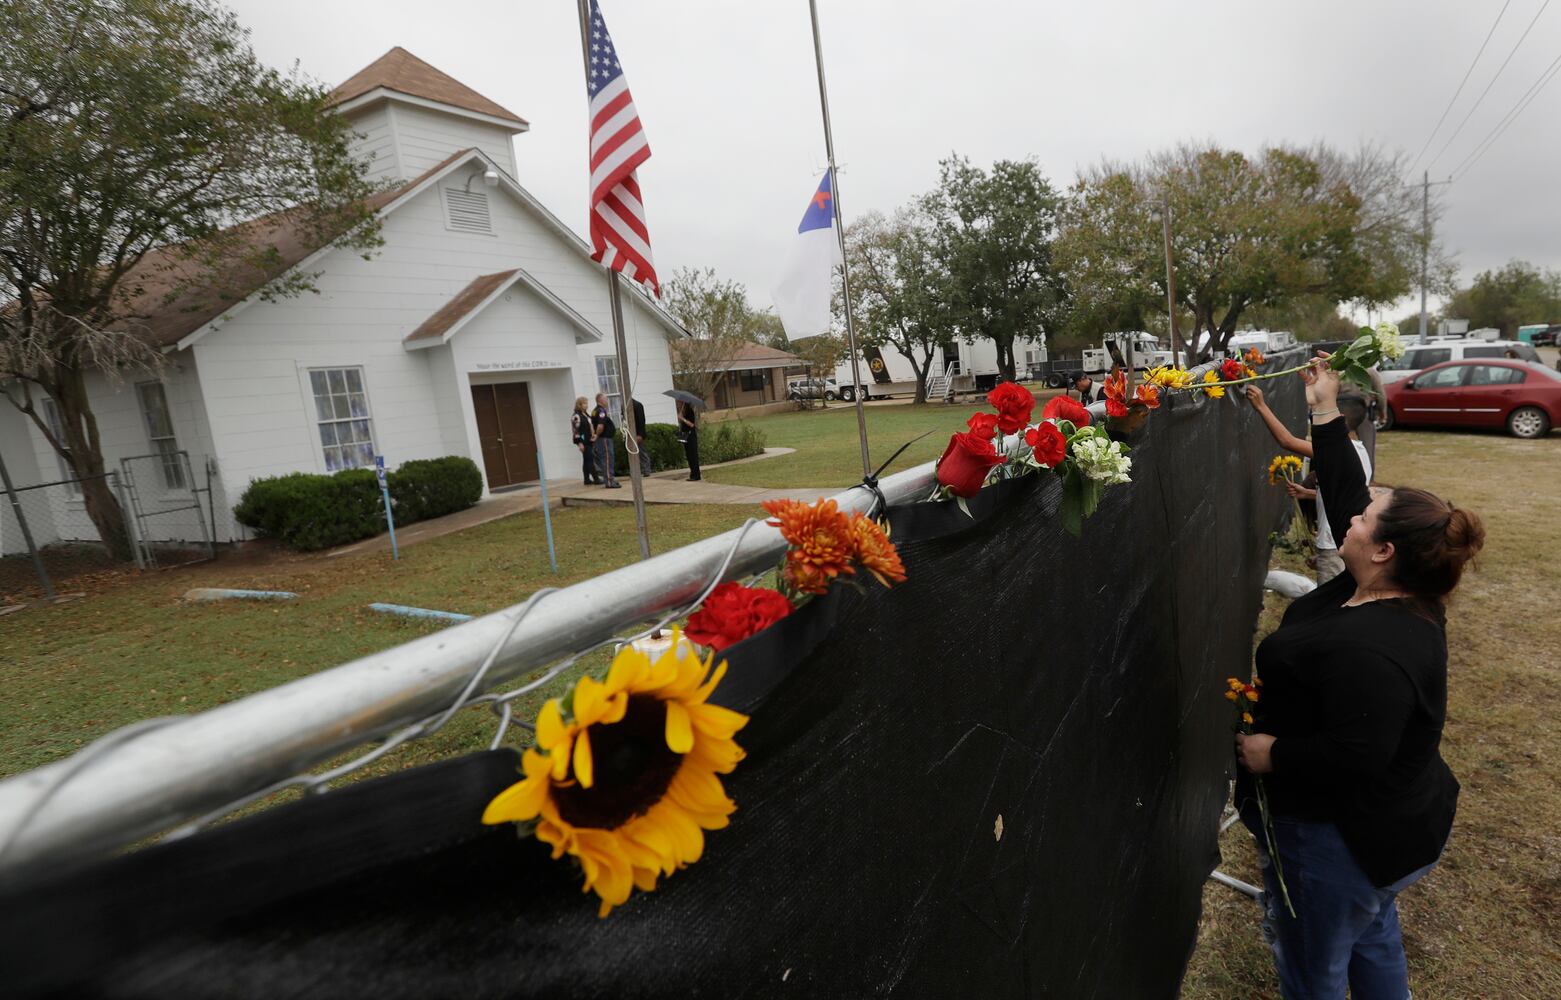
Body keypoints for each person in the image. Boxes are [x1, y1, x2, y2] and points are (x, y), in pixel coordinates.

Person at [1235, 353, 1484, 1000]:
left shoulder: (1371, 648)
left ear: (1382, 550)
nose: (1346, 514)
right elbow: (1346, 487)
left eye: (1363, 517)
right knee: (1370, 935)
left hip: (1342, 843)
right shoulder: (1381, 585)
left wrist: (1271, 753)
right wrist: (1321, 408)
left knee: (1311, 970)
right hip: (1387, 837)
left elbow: (1358, 754)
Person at [1245, 384, 1371, 585]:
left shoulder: (1339, 452)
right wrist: (1309, 493)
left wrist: (1260, 406)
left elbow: (1287, 441)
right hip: (1339, 542)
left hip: (1333, 544)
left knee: (1331, 609)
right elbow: (1343, 494)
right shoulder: (1359, 451)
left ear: (1342, 422)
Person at [591, 393, 621, 489]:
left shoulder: (594, 411)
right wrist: (597, 435)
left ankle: (609, 479)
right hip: (604, 439)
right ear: (600, 400)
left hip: (601, 439)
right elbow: (600, 426)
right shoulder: (601, 411)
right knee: (608, 459)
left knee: (605, 460)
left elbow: (592, 424)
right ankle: (609, 482)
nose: (607, 401)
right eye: (606, 399)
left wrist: (595, 435)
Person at [571, 396, 599, 486]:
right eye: (584, 403)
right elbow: (576, 430)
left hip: (588, 440)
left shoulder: (585, 414)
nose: (586, 405)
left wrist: (593, 434)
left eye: (587, 403)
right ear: (579, 405)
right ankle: (596, 478)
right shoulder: (576, 416)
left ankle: (586, 479)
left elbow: (589, 426)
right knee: (589, 459)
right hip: (583, 441)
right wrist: (579, 443)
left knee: (586, 460)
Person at [677, 401, 701, 481]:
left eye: (679, 402)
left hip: (690, 435)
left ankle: (696, 475)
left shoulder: (690, 411)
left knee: (693, 455)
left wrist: (682, 419)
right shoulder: (683, 411)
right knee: (688, 455)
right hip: (685, 435)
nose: (678, 403)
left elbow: (691, 424)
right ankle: (692, 474)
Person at [629, 397, 651, 476]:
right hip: (630, 433)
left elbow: (641, 420)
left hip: (638, 433)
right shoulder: (625, 406)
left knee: (641, 452)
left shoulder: (637, 405)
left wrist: (640, 434)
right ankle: (636, 470)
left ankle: (646, 469)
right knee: (633, 453)